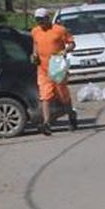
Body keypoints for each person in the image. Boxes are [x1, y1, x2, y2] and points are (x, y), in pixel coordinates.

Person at [29, 7, 77, 136]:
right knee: (45, 96)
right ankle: (47, 123)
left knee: (62, 95)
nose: (40, 23)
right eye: (37, 20)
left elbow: (72, 43)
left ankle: (71, 116)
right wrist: (34, 54)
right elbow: (35, 44)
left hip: (57, 66)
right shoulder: (35, 31)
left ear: (47, 18)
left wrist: (65, 51)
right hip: (42, 68)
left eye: (41, 20)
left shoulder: (59, 30)